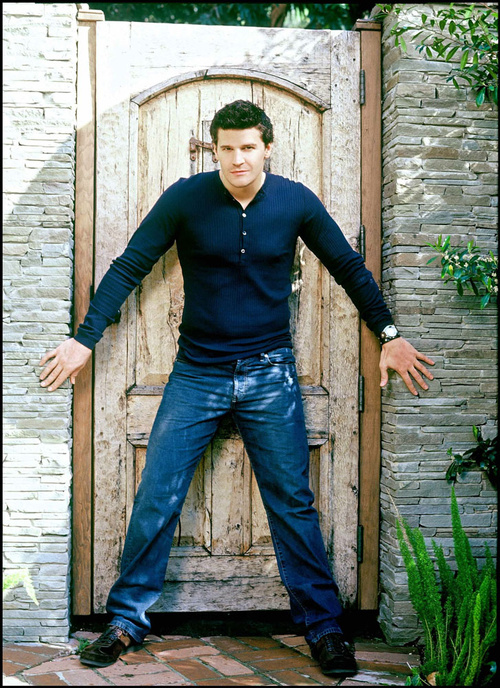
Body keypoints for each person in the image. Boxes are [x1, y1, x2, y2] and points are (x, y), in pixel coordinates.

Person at [39, 100, 435, 677]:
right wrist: (84, 340)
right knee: (157, 494)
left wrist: (389, 335)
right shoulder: (186, 198)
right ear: (215, 149)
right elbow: (129, 266)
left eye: (248, 147)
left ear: (267, 147)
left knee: (292, 501)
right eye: (226, 148)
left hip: (270, 374)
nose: (237, 159)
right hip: (196, 373)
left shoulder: (296, 202)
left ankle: (324, 627)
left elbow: (348, 267)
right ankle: (125, 620)